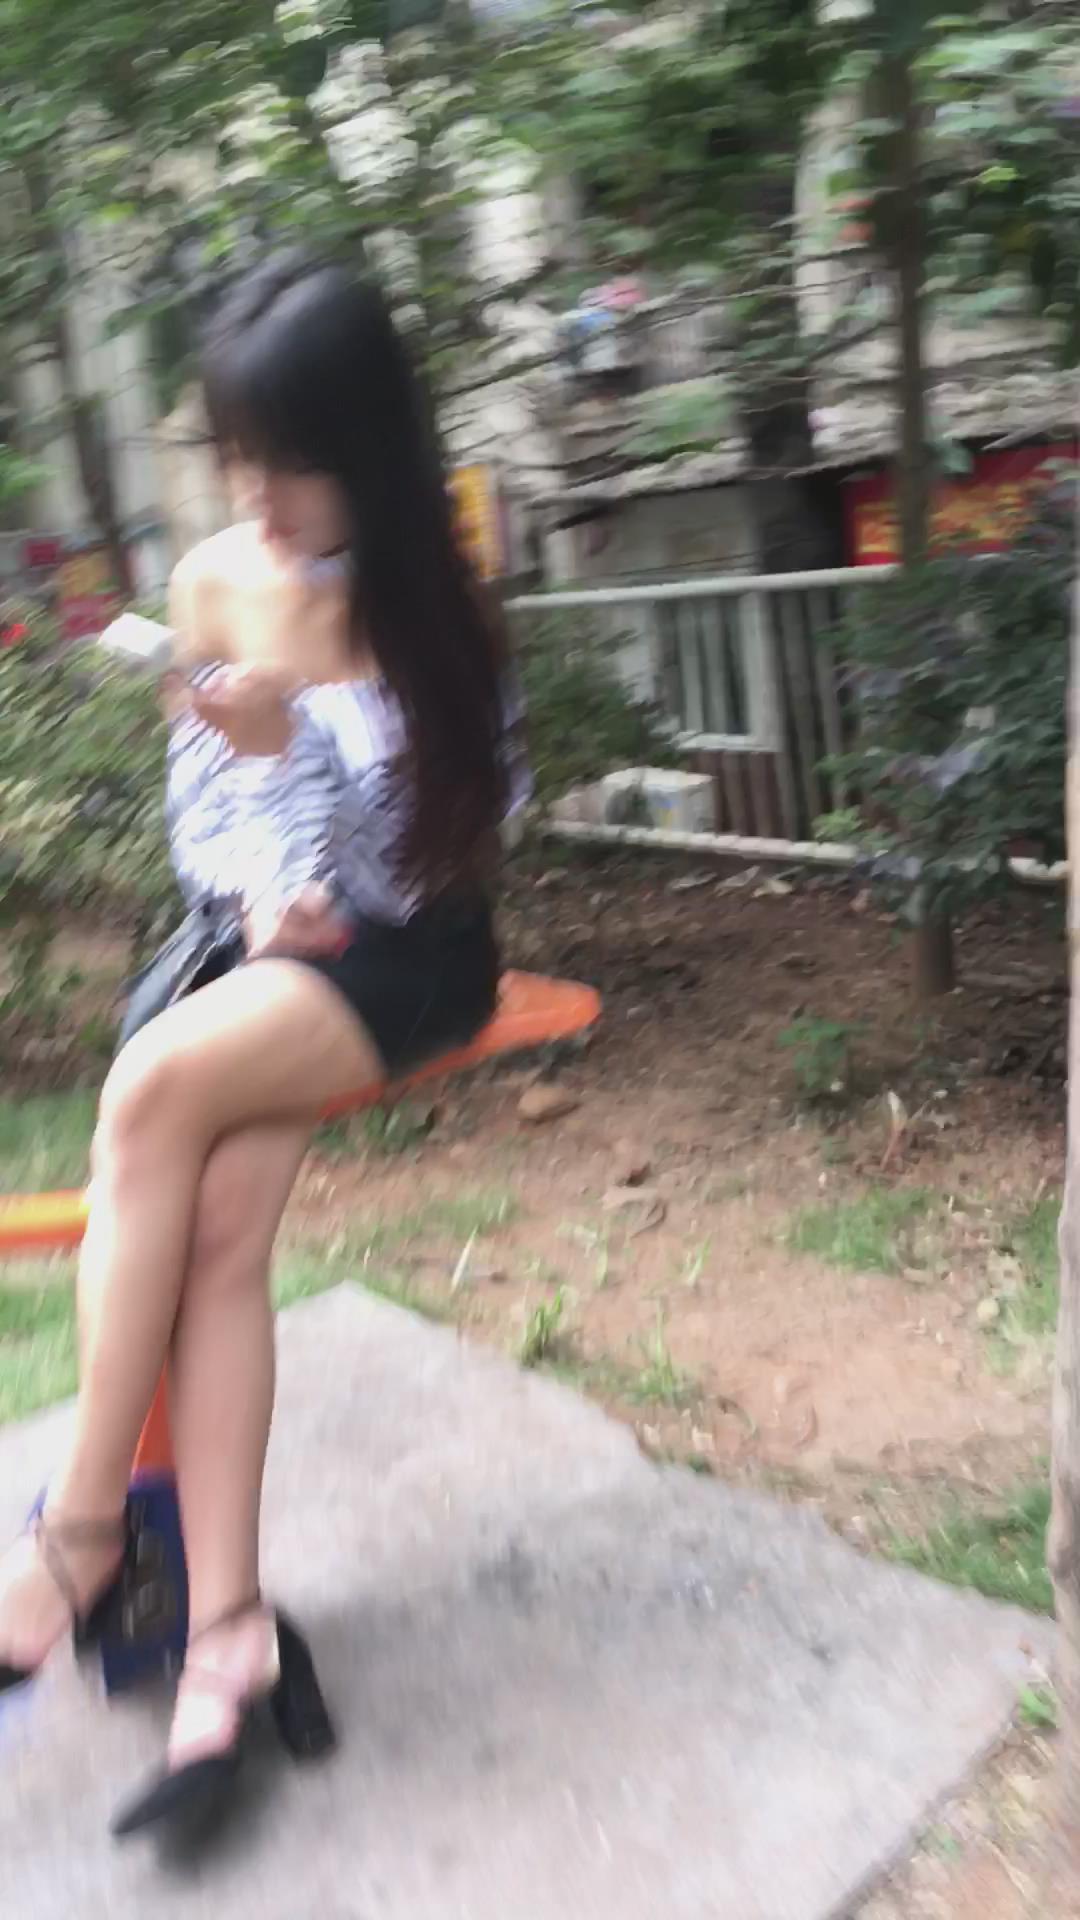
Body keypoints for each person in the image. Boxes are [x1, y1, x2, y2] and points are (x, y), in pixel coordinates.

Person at [0, 252, 528, 1839]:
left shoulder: (440, 609)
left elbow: (443, 861)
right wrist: (256, 885)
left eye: (287, 461)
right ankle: (225, 1623)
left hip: (408, 955)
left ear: (368, 449)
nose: (257, 497)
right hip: (262, 946)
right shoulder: (222, 577)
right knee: (219, 1220)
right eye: (236, 455)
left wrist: (308, 754)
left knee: (150, 1087)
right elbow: (207, 818)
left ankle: (79, 1534)